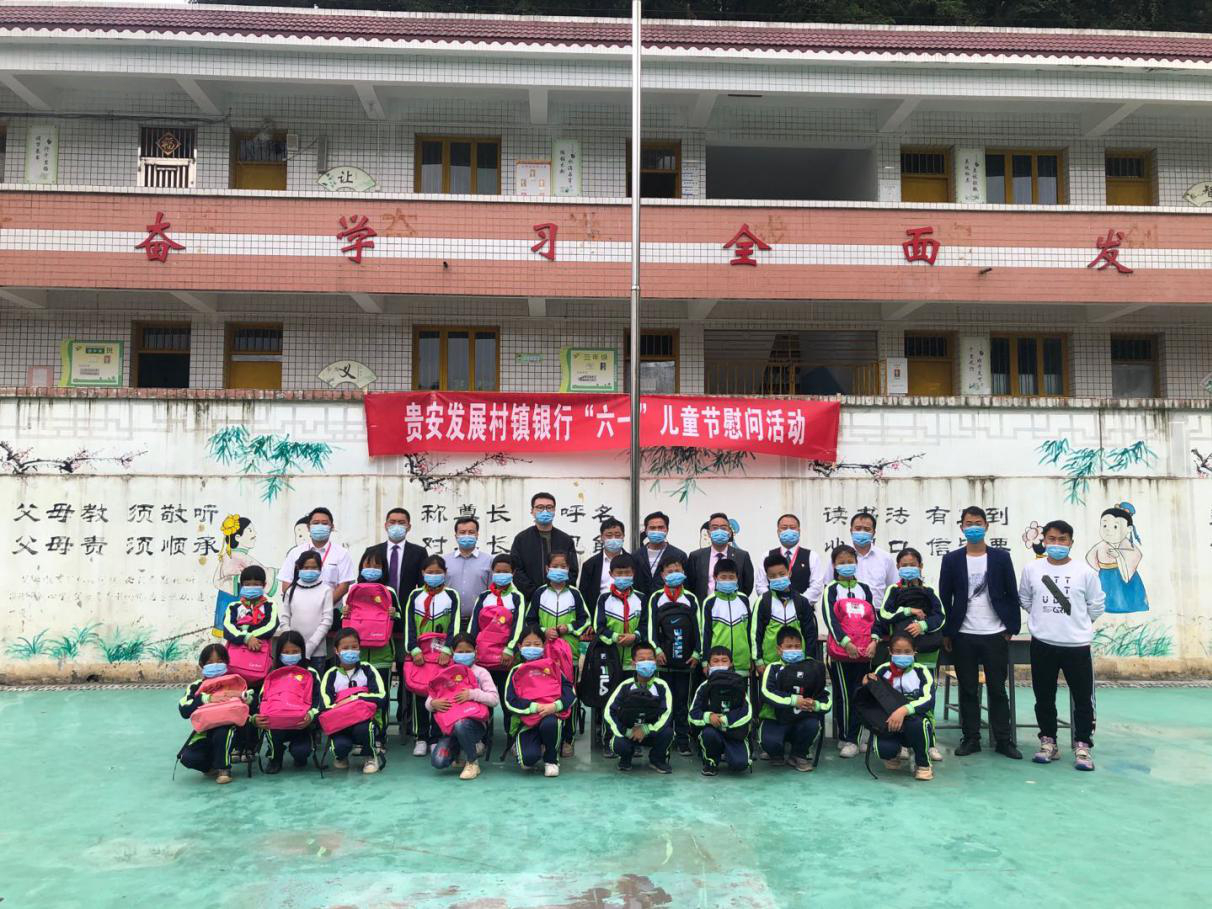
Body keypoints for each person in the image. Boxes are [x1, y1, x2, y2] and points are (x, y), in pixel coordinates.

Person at [1019, 520, 1105, 771]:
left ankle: (1083, 746)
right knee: (1044, 697)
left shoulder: (1085, 572)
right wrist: (1043, 621)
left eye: (1062, 539)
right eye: (1052, 539)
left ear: (1071, 542)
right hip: (1043, 644)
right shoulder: (1032, 569)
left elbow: (1096, 605)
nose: (1057, 544)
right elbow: (1025, 598)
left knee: (1082, 698)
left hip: (1076, 646)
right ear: (1044, 541)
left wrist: (1078, 624)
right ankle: (1048, 742)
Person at [939, 506, 1023, 760]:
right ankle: (971, 738)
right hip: (964, 634)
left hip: (994, 633)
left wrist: (1011, 628)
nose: (973, 527)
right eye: (969, 523)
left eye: (978, 523)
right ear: (961, 527)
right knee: (967, 689)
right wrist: (948, 631)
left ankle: (1003, 740)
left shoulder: (1000, 558)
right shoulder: (952, 559)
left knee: (997, 689)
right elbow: (945, 596)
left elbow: (1011, 593)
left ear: (986, 526)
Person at [876, 547, 946, 762]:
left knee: (926, 696)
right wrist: (908, 611)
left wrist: (923, 625)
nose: (908, 568)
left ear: (920, 566)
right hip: (901, 653)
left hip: (926, 652)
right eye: (904, 565)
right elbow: (884, 614)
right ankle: (903, 742)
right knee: (898, 694)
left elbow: (940, 617)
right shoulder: (893, 590)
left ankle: (929, 742)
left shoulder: (929, 591)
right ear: (898, 567)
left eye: (912, 565)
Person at [525, 549, 590, 757]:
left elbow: (585, 620)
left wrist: (567, 628)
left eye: (563, 566)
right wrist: (544, 631)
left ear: (569, 569)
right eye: (555, 566)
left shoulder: (575, 594)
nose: (559, 570)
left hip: (569, 654)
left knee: (569, 694)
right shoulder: (539, 593)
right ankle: (546, 737)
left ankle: (568, 738)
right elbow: (530, 621)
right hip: (543, 654)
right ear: (547, 569)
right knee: (544, 693)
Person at [822, 544, 876, 758]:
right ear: (834, 565)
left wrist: (873, 641)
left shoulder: (865, 588)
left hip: (863, 652)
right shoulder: (831, 589)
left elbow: (872, 618)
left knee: (861, 693)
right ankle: (846, 737)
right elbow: (830, 618)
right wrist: (846, 643)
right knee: (844, 696)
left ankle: (858, 735)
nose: (846, 565)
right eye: (841, 562)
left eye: (850, 561)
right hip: (842, 653)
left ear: (856, 562)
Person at [402, 554, 459, 757]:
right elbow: (409, 623)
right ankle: (421, 737)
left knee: (440, 695)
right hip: (421, 656)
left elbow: (455, 624)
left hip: (443, 657)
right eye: (429, 572)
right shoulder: (415, 595)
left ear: (445, 573)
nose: (433, 575)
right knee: (420, 694)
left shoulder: (452, 595)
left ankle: (436, 737)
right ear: (422, 573)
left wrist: (448, 649)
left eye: (438, 572)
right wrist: (413, 649)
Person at [645, 556, 701, 756]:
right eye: (669, 571)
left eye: (678, 570)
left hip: (686, 662)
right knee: (664, 701)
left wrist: (697, 652)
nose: (674, 574)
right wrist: (657, 650)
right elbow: (651, 627)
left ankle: (683, 740)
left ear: (684, 573)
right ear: (662, 575)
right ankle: (665, 738)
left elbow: (699, 628)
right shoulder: (656, 598)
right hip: (663, 662)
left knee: (683, 702)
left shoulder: (691, 598)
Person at [504, 626, 576, 777]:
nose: (532, 648)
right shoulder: (516, 671)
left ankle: (551, 759)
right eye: (527, 644)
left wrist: (555, 706)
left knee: (550, 723)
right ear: (520, 647)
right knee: (527, 761)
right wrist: (534, 707)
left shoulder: (553, 667)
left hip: (549, 715)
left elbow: (570, 692)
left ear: (543, 646)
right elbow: (510, 701)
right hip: (526, 723)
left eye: (537, 644)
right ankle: (535, 745)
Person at [865, 631, 937, 781]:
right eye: (897, 652)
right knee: (884, 750)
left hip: (915, 719)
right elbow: (874, 699)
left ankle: (922, 763)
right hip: (890, 720)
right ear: (890, 651)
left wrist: (904, 710)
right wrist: (866, 684)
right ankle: (894, 753)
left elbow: (928, 699)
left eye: (907, 652)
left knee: (918, 725)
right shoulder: (882, 670)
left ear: (914, 651)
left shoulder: (922, 671)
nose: (902, 655)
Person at [177, 642, 251, 784]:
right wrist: (206, 698)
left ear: (227, 663)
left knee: (222, 733)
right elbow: (184, 709)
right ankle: (210, 767)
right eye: (210, 662)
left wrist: (247, 699)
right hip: (204, 732)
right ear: (201, 665)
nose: (215, 665)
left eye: (220, 661)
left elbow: (249, 702)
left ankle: (224, 769)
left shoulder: (235, 681)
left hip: (232, 729)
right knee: (188, 758)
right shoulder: (196, 686)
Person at [429, 633, 500, 780]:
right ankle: (460, 750)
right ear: (452, 652)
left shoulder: (481, 672)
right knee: (438, 762)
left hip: (474, 725)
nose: (464, 655)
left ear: (475, 651)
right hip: (450, 727)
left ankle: (472, 762)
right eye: (460, 652)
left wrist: (472, 694)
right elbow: (430, 699)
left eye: (468, 651)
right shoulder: (445, 673)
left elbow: (494, 699)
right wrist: (433, 704)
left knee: (461, 724)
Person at [758, 627, 830, 772]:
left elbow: (825, 697)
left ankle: (798, 755)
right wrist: (793, 701)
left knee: (812, 725)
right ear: (779, 650)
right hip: (775, 719)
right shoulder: (773, 668)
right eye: (789, 647)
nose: (794, 650)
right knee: (770, 742)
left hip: (802, 718)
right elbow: (766, 693)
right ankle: (776, 753)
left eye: (797, 646)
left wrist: (815, 705)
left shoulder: (813, 667)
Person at [346, 548, 401, 732]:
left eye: (377, 566)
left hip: (382, 656)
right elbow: (346, 624)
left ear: (383, 569)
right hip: (356, 655)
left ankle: (380, 734)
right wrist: (344, 613)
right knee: (356, 695)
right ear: (361, 566)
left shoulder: (389, 591)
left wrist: (394, 615)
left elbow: (400, 622)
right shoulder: (353, 590)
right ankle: (359, 733)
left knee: (381, 695)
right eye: (368, 564)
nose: (372, 569)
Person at [467, 553, 527, 717]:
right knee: (484, 698)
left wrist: (510, 649)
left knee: (508, 699)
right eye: (498, 571)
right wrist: (471, 648)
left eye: (505, 571)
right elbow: (474, 625)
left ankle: (511, 731)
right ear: (492, 572)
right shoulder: (484, 597)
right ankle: (483, 731)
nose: (501, 574)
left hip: (507, 658)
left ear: (513, 573)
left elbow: (519, 625)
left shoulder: (517, 597)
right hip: (484, 658)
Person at [321, 628, 388, 773]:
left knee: (365, 729)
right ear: (336, 650)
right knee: (340, 747)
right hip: (341, 724)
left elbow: (381, 697)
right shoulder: (330, 675)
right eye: (345, 648)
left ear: (359, 648)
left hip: (365, 721)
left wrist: (353, 699)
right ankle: (341, 756)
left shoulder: (368, 669)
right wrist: (356, 703)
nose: (350, 651)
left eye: (354, 647)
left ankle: (370, 756)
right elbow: (325, 706)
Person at [254, 630, 322, 773]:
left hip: (301, 724)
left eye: (295, 652)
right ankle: (275, 757)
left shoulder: (310, 673)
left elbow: (319, 699)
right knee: (271, 730)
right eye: (286, 652)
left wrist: (311, 715)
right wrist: (257, 718)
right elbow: (262, 699)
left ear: (302, 651)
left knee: (301, 752)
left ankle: (300, 753)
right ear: (279, 653)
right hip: (276, 724)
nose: (290, 655)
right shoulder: (272, 673)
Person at [604, 640, 675, 773]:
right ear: (633, 663)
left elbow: (667, 714)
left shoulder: (662, 686)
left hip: (651, 732)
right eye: (642, 660)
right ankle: (625, 758)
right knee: (618, 744)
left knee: (668, 733)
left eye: (650, 659)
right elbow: (609, 712)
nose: (646, 662)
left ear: (655, 662)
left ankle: (657, 760)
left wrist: (646, 729)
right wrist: (626, 731)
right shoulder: (625, 686)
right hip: (629, 733)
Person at [689, 646, 752, 775]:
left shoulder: (739, 685)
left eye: (724, 661)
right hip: (712, 731)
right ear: (708, 665)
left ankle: (735, 752)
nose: (720, 664)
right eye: (715, 661)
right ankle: (711, 761)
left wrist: (725, 720)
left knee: (740, 765)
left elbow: (747, 712)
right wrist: (708, 717)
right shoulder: (703, 687)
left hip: (734, 733)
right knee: (708, 734)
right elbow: (692, 714)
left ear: (731, 664)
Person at [751, 552, 819, 672]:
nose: (778, 578)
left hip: (798, 662)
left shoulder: (801, 601)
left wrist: (809, 658)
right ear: (767, 578)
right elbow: (755, 633)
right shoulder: (763, 602)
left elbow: (810, 633)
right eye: (773, 576)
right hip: (770, 664)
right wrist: (758, 660)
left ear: (789, 573)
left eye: (782, 574)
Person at [278, 507, 356, 606]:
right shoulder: (295, 553)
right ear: (308, 527)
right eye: (315, 523)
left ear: (332, 527)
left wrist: (324, 606)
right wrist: (301, 606)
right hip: (299, 610)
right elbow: (286, 583)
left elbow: (343, 586)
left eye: (324, 523)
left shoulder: (342, 553)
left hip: (331, 611)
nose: (320, 526)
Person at [509, 492, 580, 598]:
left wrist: (559, 591)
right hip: (531, 599)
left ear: (554, 511)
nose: (545, 511)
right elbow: (516, 570)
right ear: (532, 511)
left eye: (549, 507)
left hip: (561, 598)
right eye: (540, 507)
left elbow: (572, 571)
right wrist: (535, 594)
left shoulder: (565, 540)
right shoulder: (521, 539)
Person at [822, 512, 897, 610]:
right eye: (858, 528)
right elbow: (828, 586)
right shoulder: (839, 556)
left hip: (878, 613)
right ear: (851, 530)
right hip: (845, 614)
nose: (862, 532)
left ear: (873, 533)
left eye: (867, 529)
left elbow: (893, 588)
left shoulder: (885, 558)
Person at [1086, 502, 1148, 614]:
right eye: (1104, 526)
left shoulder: (1127, 545)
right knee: (1105, 599)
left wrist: (1119, 557)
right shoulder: (1101, 545)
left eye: (1115, 527)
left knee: (1123, 599)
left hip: (1122, 576)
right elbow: (1090, 557)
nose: (1108, 530)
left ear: (1129, 529)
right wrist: (1100, 568)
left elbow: (1136, 556)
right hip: (1105, 575)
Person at [279, 549, 333, 673]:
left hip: (317, 653)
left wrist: (309, 647)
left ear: (320, 568)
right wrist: (291, 643)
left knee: (314, 683)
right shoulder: (291, 590)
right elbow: (285, 619)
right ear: (298, 568)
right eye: (306, 567)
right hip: (292, 653)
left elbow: (327, 621)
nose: (310, 571)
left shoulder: (326, 590)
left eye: (314, 567)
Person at [366, 507, 428, 611]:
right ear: (386, 525)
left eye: (401, 523)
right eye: (392, 522)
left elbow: (423, 584)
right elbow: (363, 582)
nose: (396, 526)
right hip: (377, 609)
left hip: (407, 608)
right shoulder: (372, 551)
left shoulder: (419, 552)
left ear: (409, 527)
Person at [699, 557, 754, 676]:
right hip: (718, 663)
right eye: (723, 577)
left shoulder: (743, 599)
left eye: (731, 577)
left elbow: (750, 630)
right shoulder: (709, 602)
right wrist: (704, 661)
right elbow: (705, 634)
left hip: (742, 663)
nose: (727, 580)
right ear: (715, 578)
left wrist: (752, 657)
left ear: (737, 578)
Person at [754, 514, 824, 605]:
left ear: (799, 531)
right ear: (778, 532)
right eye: (784, 528)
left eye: (792, 527)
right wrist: (774, 603)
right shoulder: (766, 555)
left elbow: (816, 587)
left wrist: (798, 604)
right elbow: (761, 585)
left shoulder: (812, 556)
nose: (788, 531)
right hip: (772, 609)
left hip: (803, 609)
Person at [594, 553, 646, 674]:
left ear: (633, 573)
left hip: (634, 661)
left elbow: (646, 624)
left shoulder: (641, 598)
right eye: (619, 573)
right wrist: (615, 637)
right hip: (610, 658)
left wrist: (635, 636)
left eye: (627, 573)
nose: (623, 576)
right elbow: (599, 627)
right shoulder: (604, 598)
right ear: (611, 574)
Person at [687, 513, 754, 602]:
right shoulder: (696, 556)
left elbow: (747, 585)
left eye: (723, 528)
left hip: (733, 606)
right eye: (715, 528)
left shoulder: (742, 556)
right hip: (704, 607)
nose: (719, 531)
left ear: (729, 533)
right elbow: (690, 585)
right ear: (709, 533)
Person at [221, 564, 279, 666]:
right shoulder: (233, 606)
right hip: (236, 656)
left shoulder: (269, 605)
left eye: (256, 584)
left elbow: (270, 626)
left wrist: (250, 637)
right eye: (247, 584)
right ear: (241, 585)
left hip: (260, 654)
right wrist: (246, 638)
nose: (251, 587)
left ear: (264, 585)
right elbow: (228, 628)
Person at [632, 510, 688, 600]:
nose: (656, 531)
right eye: (652, 528)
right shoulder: (636, 556)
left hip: (668, 603)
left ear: (667, 530)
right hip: (641, 603)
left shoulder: (679, 555)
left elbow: (686, 585)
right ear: (646, 530)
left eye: (660, 527)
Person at [445, 516, 493, 622]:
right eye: (462, 532)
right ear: (456, 536)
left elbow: (493, 591)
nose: (467, 535)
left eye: (471, 532)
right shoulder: (445, 561)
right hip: (450, 620)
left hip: (479, 620)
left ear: (477, 535)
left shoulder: (489, 560)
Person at [578, 518, 627, 605]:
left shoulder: (634, 562)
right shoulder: (589, 565)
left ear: (623, 536)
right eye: (609, 535)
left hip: (627, 609)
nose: (613, 539)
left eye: (617, 535)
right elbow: (583, 596)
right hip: (599, 610)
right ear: (601, 537)